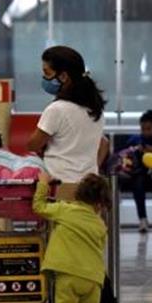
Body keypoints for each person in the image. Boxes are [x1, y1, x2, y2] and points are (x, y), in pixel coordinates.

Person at [33, 170, 111, 303]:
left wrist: (43, 183)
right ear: (100, 203)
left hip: (66, 273)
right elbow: (100, 246)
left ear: (78, 194)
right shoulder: (100, 224)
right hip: (93, 278)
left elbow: (38, 206)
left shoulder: (65, 210)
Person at [27, 46, 110, 201]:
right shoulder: (94, 108)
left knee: (60, 225)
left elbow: (33, 145)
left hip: (61, 186)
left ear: (64, 76)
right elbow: (104, 143)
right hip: (89, 188)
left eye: (47, 73)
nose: (44, 79)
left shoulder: (57, 109)